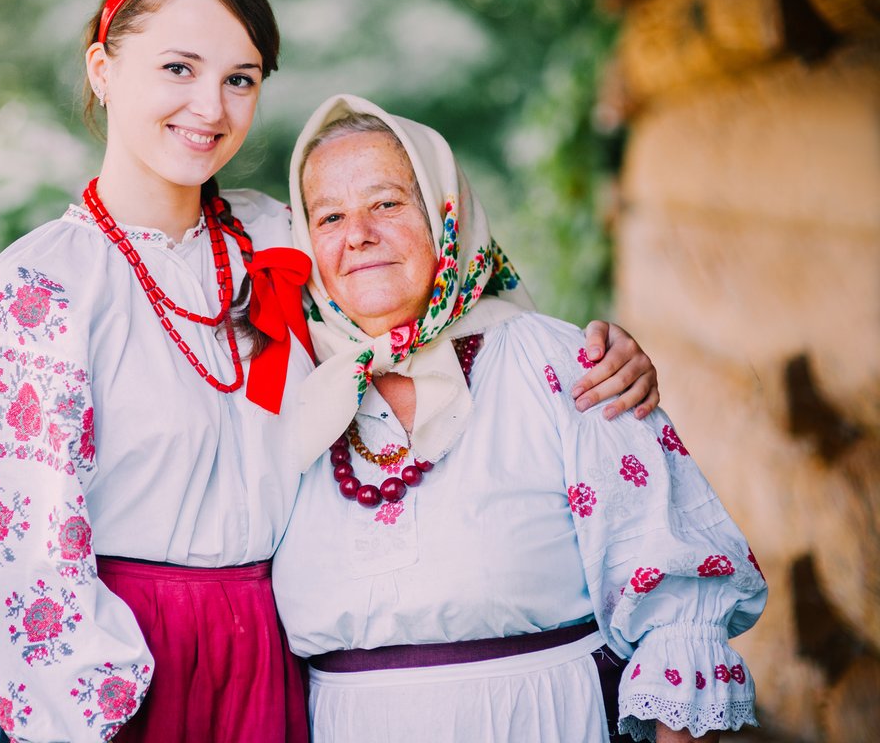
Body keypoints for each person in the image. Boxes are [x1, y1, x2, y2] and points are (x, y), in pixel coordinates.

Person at [0, 0, 662, 742]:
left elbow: (438, 298)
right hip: (123, 666)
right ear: (103, 69)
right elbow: (8, 561)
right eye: (178, 68)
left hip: (269, 660)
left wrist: (596, 350)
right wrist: (88, 705)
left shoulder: (282, 239)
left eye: (239, 78)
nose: (210, 107)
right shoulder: (41, 287)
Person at [272, 94, 767, 743]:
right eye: (329, 216)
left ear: (447, 211)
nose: (357, 234)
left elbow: (673, 603)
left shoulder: (562, 364)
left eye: (387, 203)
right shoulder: (294, 392)